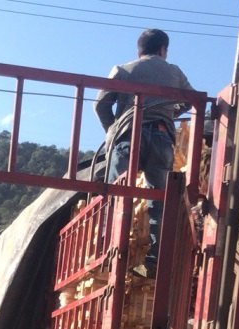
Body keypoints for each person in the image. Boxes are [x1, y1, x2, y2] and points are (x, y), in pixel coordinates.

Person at [94, 28, 194, 280]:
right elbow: (191, 100)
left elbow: (100, 104)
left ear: (139, 51)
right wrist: (168, 113)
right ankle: (154, 260)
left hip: (129, 138)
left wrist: (114, 130)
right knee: (159, 201)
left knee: (116, 194)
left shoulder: (123, 69)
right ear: (163, 50)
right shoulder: (174, 72)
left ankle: (106, 251)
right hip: (161, 138)